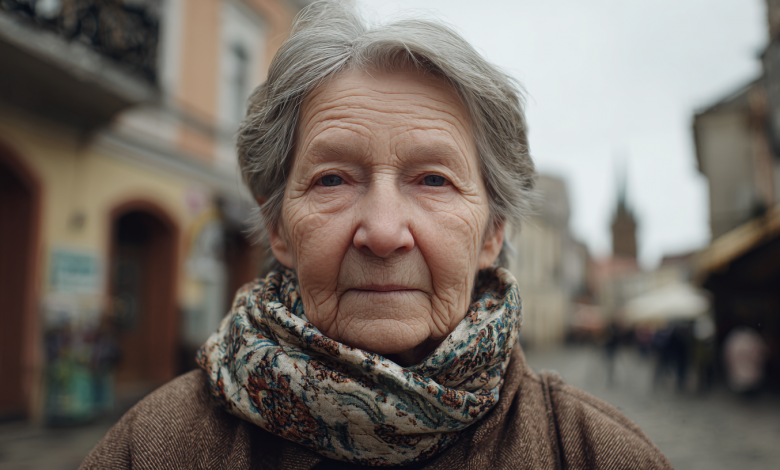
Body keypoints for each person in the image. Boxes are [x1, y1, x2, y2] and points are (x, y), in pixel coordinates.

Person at [81, 2, 671, 468]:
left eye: (433, 180)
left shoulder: (593, 453)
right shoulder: (153, 447)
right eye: (333, 178)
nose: (384, 233)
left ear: (492, 232)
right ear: (278, 227)